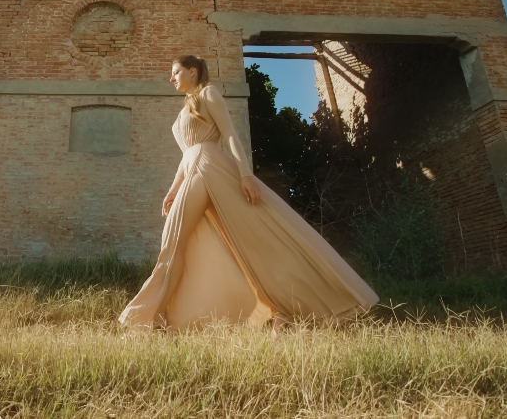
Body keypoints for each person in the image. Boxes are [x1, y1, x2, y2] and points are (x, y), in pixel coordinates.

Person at [119, 55, 379, 331]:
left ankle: (149, 318)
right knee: (190, 243)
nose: (171, 78)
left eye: (175, 72)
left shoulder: (209, 93)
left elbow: (230, 134)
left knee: (187, 242)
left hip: (211, 170)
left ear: (192, 72)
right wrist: (173, 190)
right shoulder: (187, 106)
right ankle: (169, 316)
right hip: (194, 171)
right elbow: (186, 156)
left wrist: (245, 174)